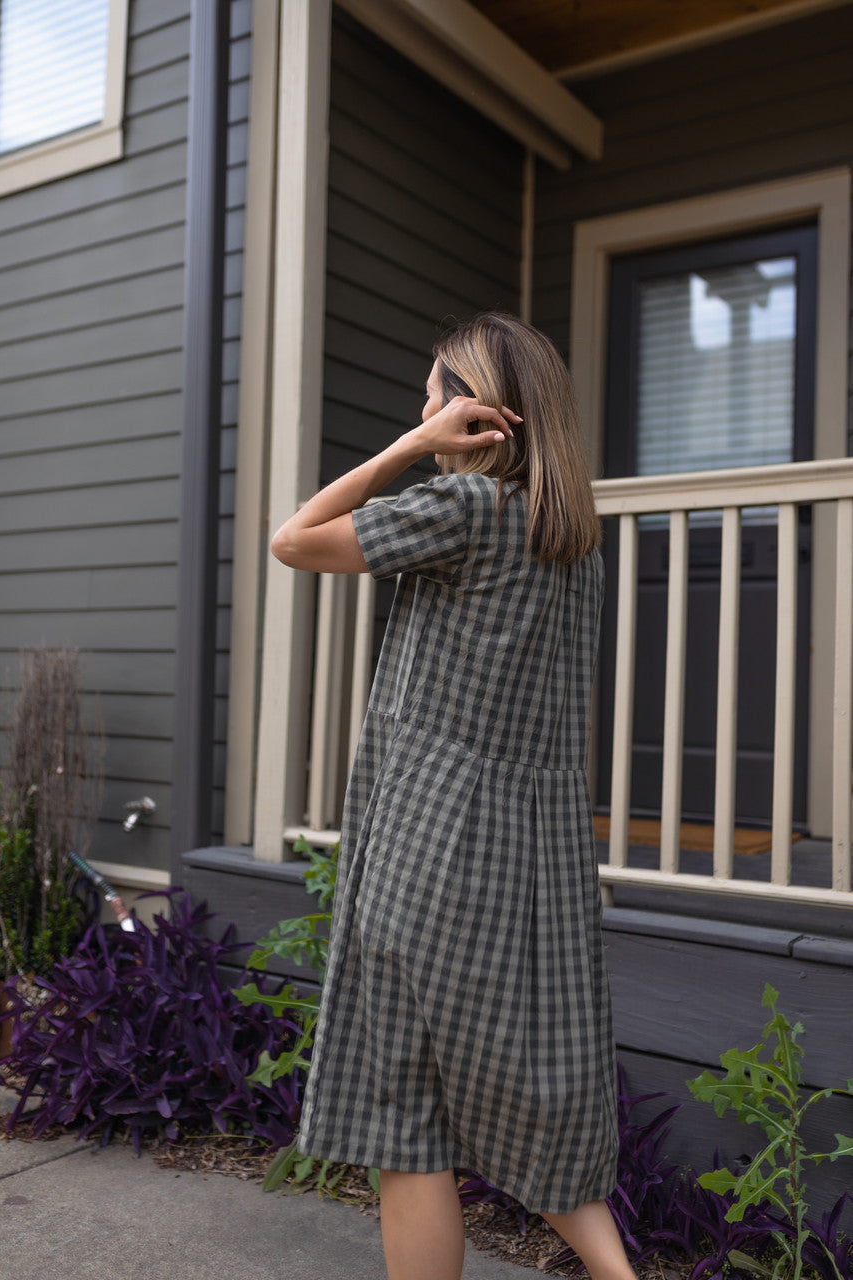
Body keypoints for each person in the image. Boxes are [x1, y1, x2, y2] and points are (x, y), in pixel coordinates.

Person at [270, 313, 635, 1280]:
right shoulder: (574, 546)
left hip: (429, 842)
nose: (420, 408)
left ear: (472, 413)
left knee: (405, 1109)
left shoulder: (465, 511)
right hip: (534, 857)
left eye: (433, 395)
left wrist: (411, 451)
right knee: (525, 1094)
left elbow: (293, 540)